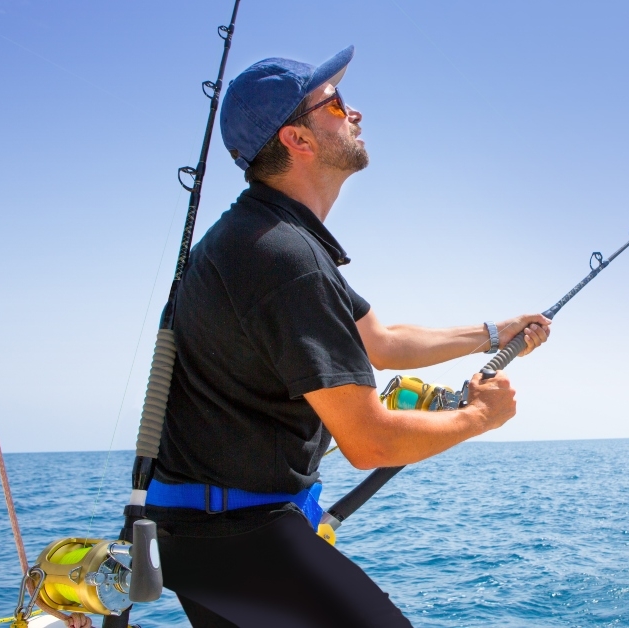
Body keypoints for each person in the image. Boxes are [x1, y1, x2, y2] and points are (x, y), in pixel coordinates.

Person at [143, 46, 550, 627]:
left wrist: (493, 333)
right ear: (297, 140)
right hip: (239, 536)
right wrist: (481, 416)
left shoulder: (265, 237)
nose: (353, 111)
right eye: (332, 103)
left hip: (198, 534)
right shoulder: (284, 261)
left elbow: (380, 342)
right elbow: (370, 442)